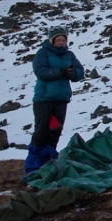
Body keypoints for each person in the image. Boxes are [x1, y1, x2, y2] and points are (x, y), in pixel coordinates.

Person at [24, 25, 84, 175]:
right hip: (43, 99)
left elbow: (79, 72)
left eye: (63, 39)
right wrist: (61, 72)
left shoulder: (69, 55)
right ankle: (32, 167)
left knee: (55, 131)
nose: (61, 42)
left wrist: (72, 73)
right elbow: (41, 72)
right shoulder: (43, 53)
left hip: (61, 99)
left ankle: (48, 164)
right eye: (58, 39)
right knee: (41, 130)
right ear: (52, 41)